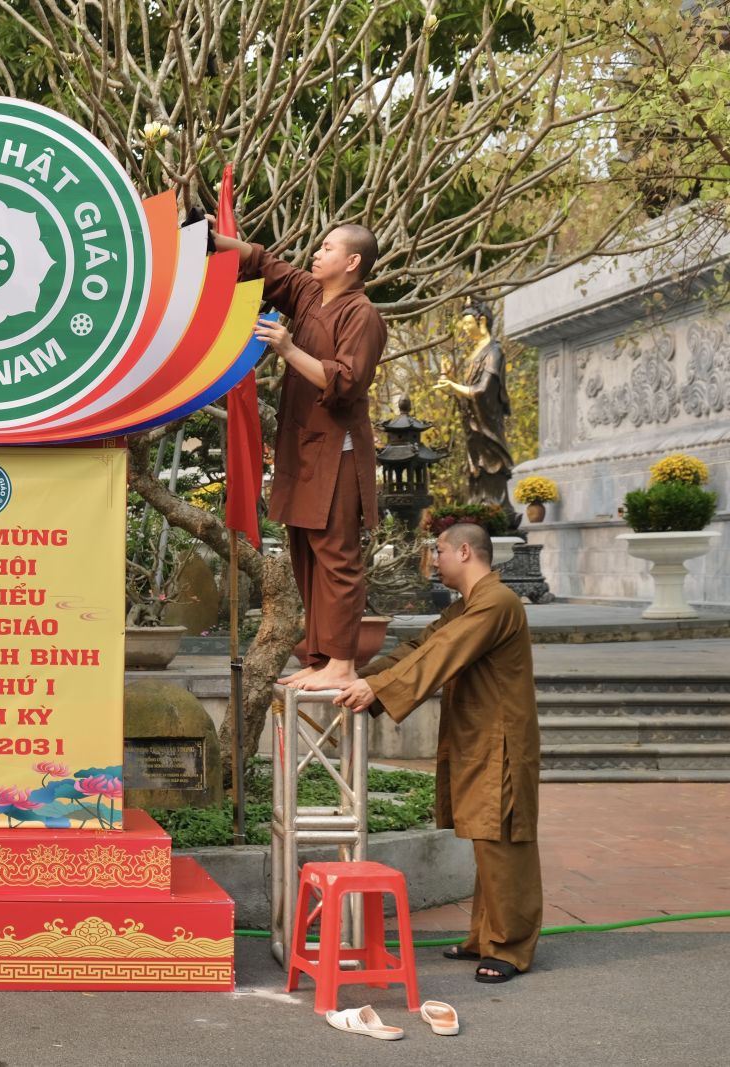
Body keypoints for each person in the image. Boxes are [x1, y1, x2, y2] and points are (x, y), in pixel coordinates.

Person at [332, 522, 541, 983]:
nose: (434, 559)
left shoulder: (497, 602)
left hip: (502, 740)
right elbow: (419, 647)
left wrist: (377, 689)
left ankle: (510, 946)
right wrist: (354, 678)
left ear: (464, 551)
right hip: (480, 736)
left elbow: (443, 652)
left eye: (439, 550)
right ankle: (485, 937)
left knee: (503, 841)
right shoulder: (468, 605)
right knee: (487, 839)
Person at [211, 220, 387, 690]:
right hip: (303, 449)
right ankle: (319, 656)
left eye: (328, 248)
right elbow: (267, 265)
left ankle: (342, 663)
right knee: (305, 552)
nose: (317, 254)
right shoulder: (311, 294)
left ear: (352, 262)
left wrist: (288, 348)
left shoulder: (362, 315)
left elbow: (346, 382)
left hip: (337, 454)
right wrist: (213, 238)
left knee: (337, 557)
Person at [435, 301, 516, 521]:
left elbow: (481, 390)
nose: (464, 328)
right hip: (473, 425)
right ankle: (478, 506)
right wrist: (448, 377)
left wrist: (453, 385)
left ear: (482, 322)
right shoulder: (474, 353)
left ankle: (495, 509)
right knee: (475, 468)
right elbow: (467, 392)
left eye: (468, 323)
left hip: (487, 422)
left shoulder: (494, 352)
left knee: (491, 465)